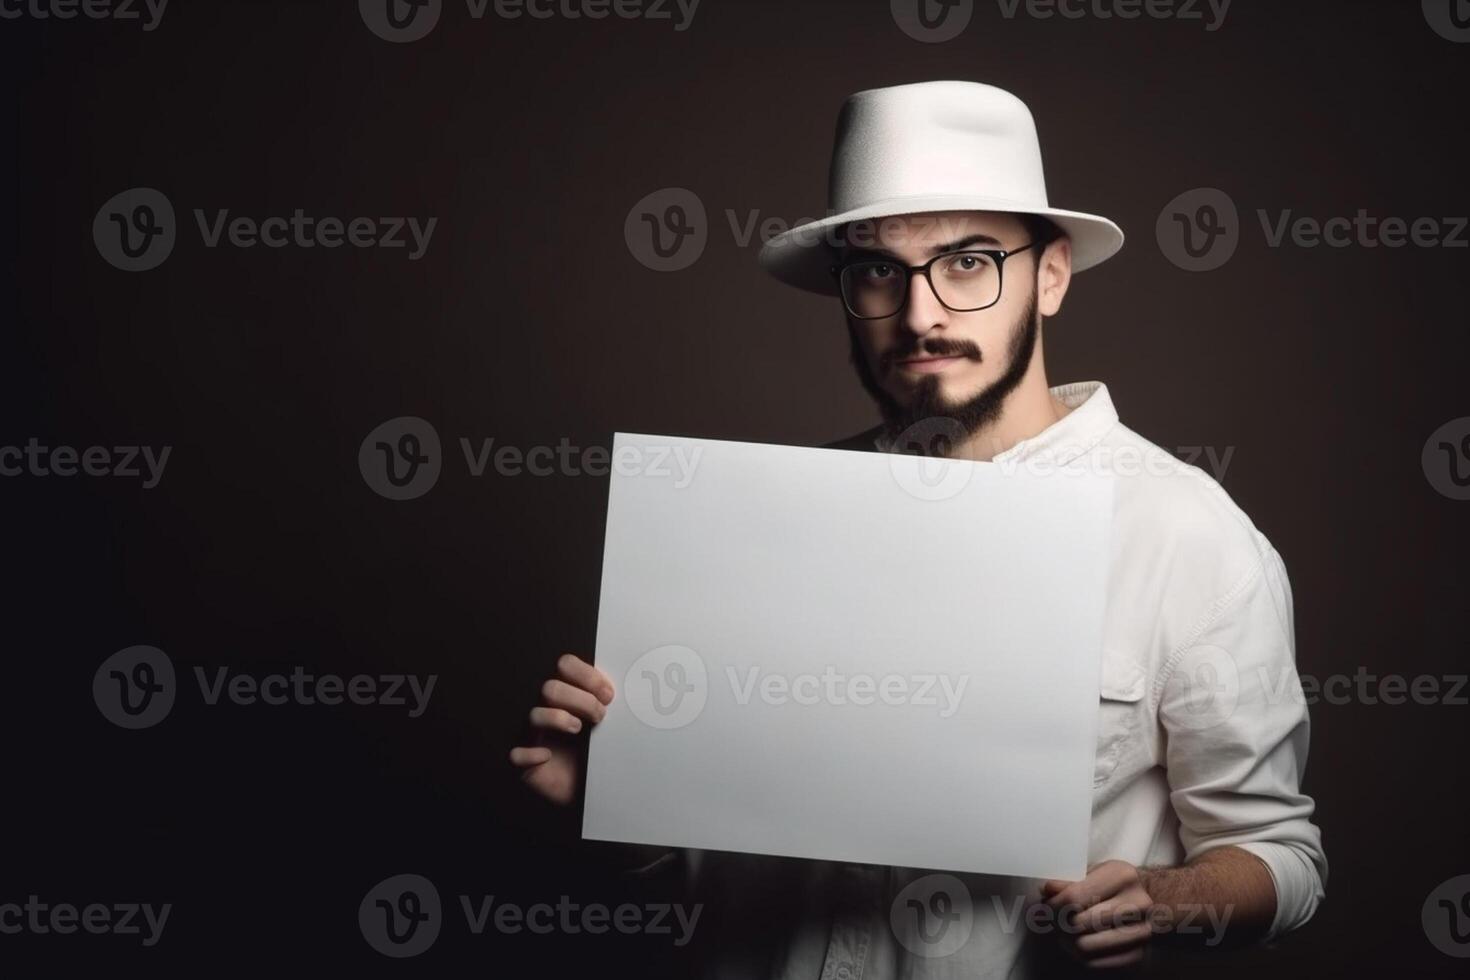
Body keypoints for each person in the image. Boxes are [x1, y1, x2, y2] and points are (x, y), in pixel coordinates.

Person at [509, 80, 1326, 976]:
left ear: (1049, 274)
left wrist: (1165, 900)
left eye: (968, 261)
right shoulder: (764, 525)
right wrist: (613, 797)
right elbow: (731, 875)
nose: (922, 312)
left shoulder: (1185, 536)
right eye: (878, 270)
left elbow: (1282, 861)